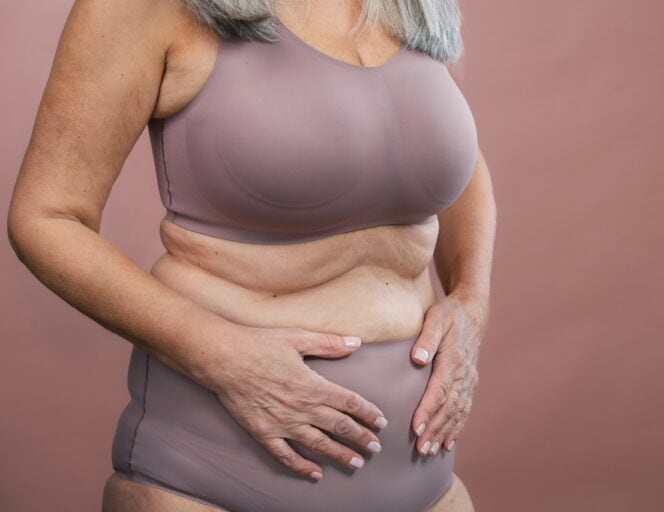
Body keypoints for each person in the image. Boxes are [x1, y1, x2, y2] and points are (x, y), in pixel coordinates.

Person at [7, 0, 496, 510]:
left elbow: (455, 157)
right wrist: (220, 357)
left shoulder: (416, 5)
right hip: (207, 478)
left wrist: (472, 302)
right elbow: (47, 216)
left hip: (428, 484)